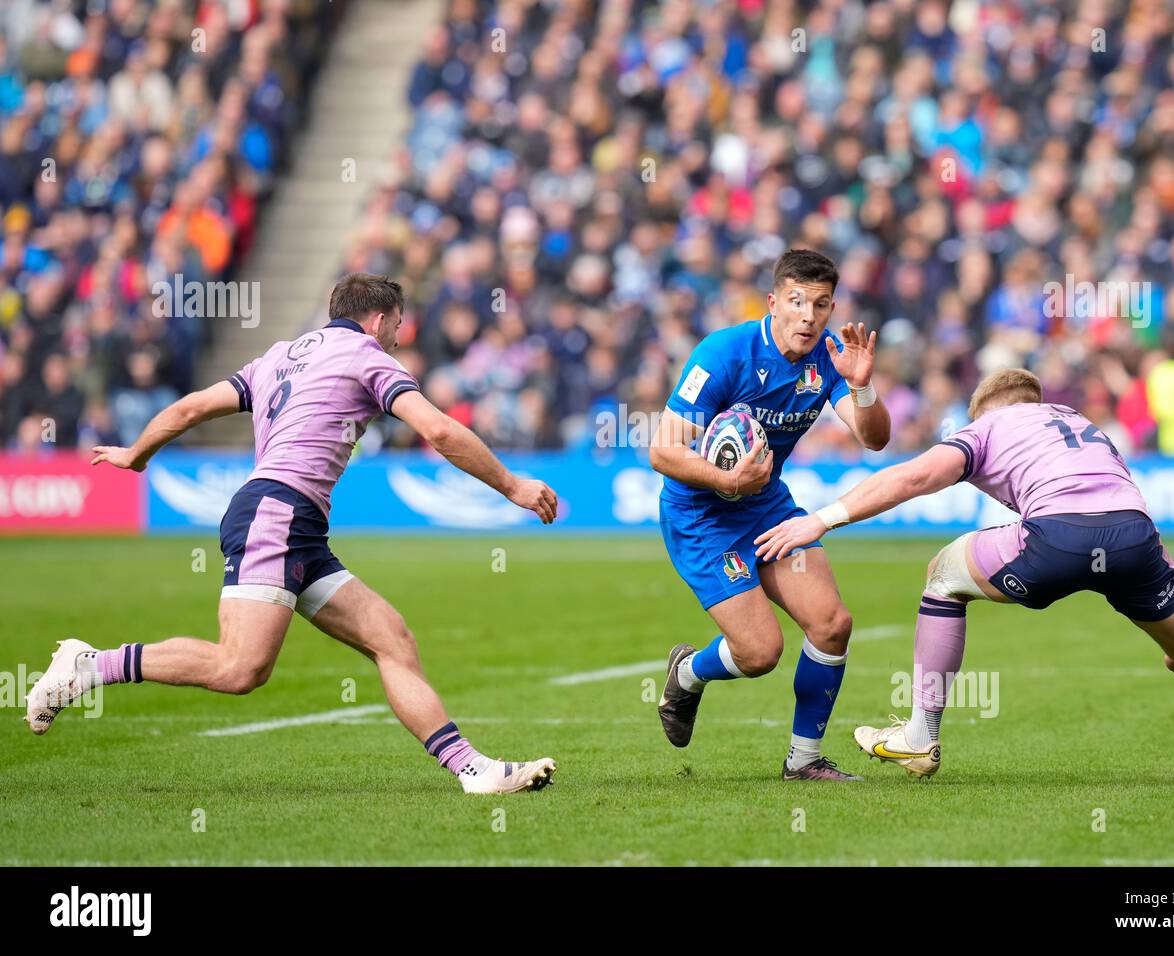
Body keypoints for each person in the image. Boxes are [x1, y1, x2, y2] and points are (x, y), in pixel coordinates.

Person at [25, 273, 561, 795]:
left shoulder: (278, 356)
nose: (399, 339)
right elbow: (439, 430)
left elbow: (191, 407)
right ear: (377, 322)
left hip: (292, 524)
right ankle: (91, 664)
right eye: (398, 326)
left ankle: (473, 771)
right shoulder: (368, 357)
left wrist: (137, 455)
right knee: (240, 667)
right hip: (277, 514)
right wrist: (511, 484)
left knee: (390, 638)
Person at [755, 368, 1174, 789]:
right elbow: (1142, 528)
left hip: (1056, 539)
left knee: (943, 574)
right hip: (1133, 539)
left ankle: (921, 734)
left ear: (983, 408)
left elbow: (915, 476)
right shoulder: (1085, 427)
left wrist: (821, 518)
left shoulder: (986, 426)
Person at [650, 248, 891, 781]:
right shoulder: (723, 353)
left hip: (765, 506)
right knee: (760, 653)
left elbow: (874, 440)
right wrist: (727, 479)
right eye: (798, 301)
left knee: (832, 624)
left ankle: (803, 761)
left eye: (822, 305)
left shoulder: (830, 357)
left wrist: (863, 385)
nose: (809, 316)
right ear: (774, 301)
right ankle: (688, 673)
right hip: (701, 516)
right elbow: (663, 451)